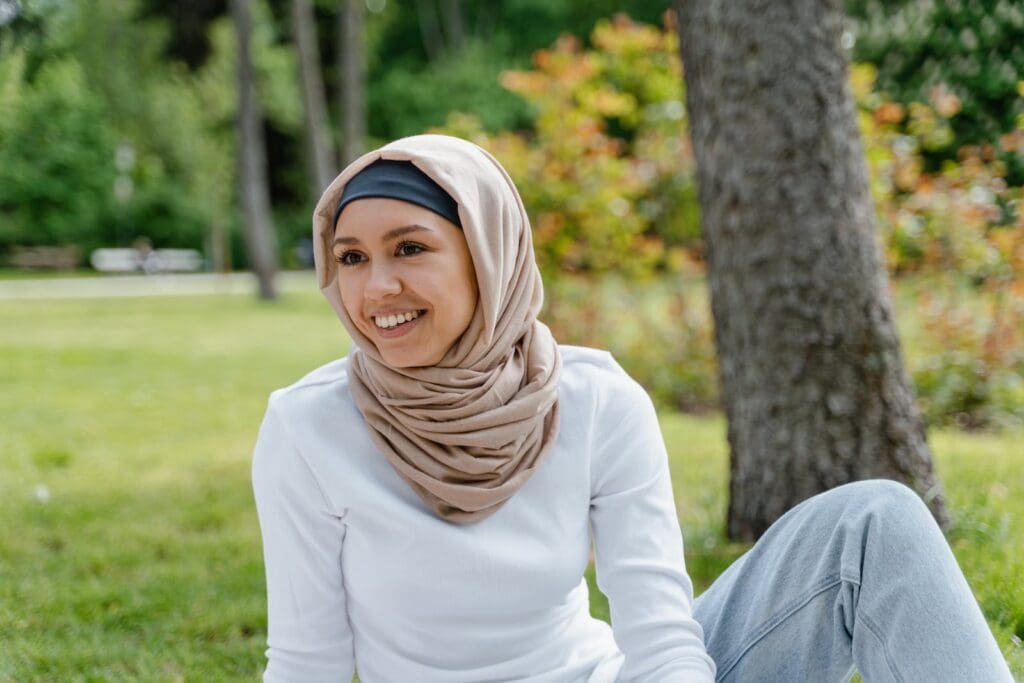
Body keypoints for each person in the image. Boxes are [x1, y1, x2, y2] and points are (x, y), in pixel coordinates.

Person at [252, 134, 1013, 682]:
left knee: (874, 520)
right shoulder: (309, 427)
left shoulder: (593, 399)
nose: (374, 287)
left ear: (490, 255)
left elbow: (658, 635)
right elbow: (307, 662)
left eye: (409, 248)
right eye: (351, 257)